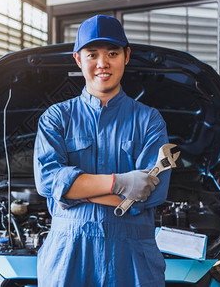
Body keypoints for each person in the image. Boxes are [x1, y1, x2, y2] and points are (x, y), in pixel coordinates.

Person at [33, 15, 171, 287]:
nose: (102, 63)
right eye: (92, 54)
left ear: (126, 56)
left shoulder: (149, 120)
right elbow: (47, 181)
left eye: (112, 53)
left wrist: (73, 195)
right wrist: (120, 183)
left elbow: (149, 193)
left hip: (132, 259)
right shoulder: (56, 118)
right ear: (78, 59)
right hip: (68, 254)